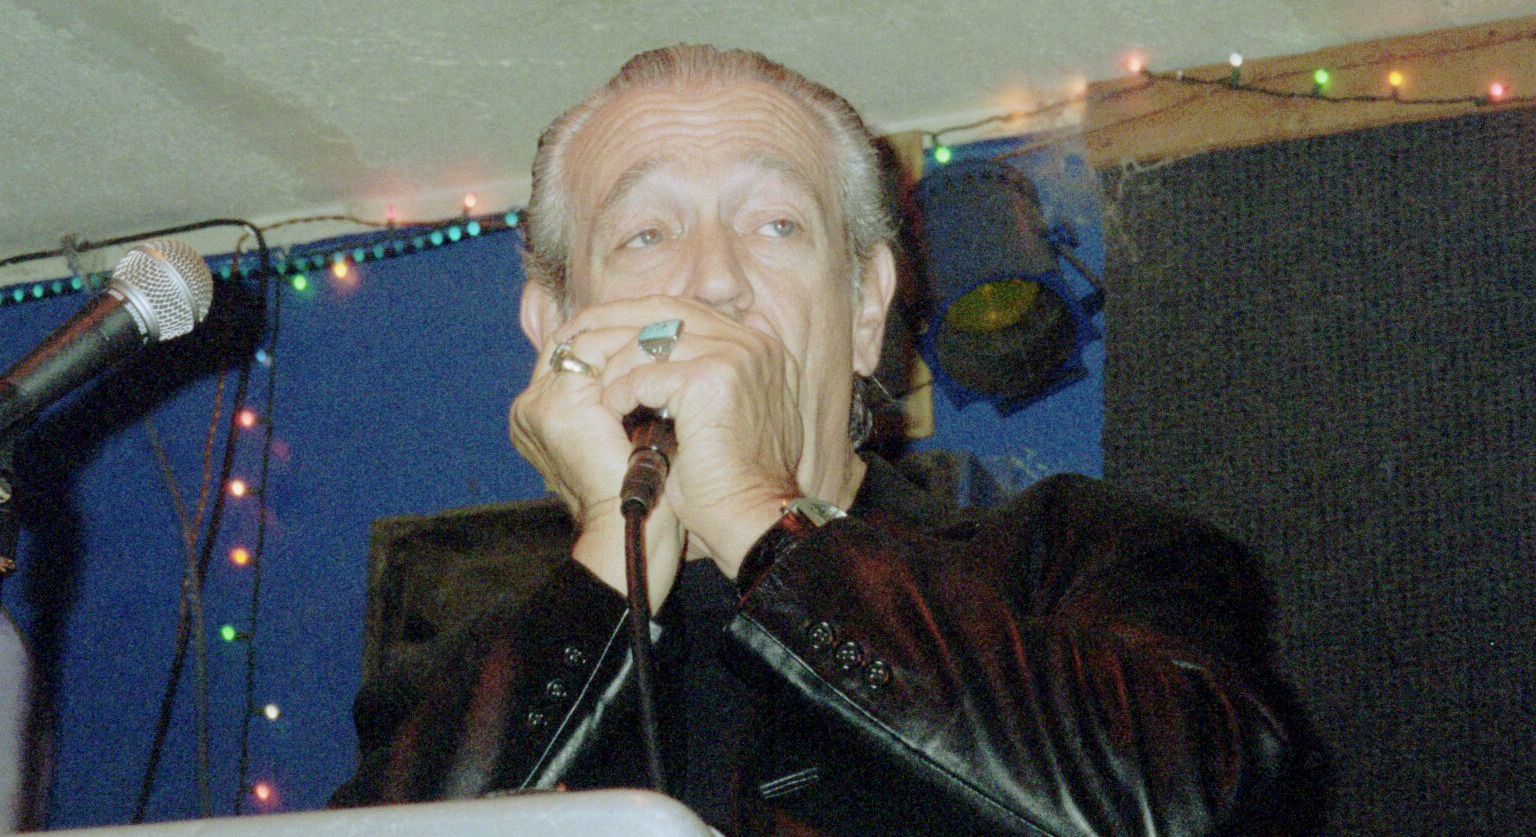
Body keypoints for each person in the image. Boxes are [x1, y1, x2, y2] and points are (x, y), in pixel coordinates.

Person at [332, 44, 1306, 835]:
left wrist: (757, 514)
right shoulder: (458, 680)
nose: (712, 281)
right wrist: (603, 577)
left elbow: (1181, 806)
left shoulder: (1078, 557)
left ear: (867, 307)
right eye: (645, 235)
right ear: (555, 328)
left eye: (776, 225)